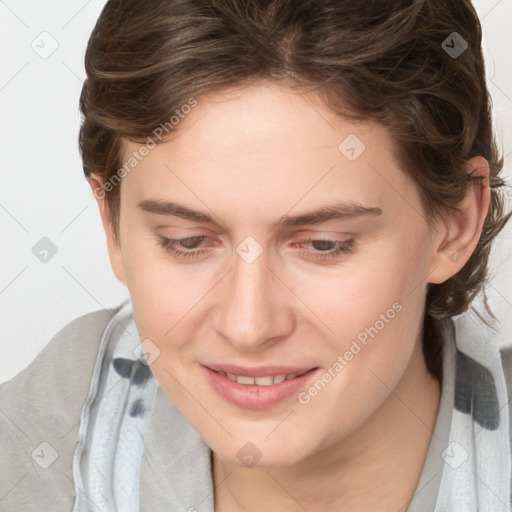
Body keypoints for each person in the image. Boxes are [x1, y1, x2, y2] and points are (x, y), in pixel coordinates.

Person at [1, 0, 511, 510]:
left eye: (323, 245)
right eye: (187, 241)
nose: (248, 327)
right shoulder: (35, 451)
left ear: (454, 225)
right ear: (113, 225)